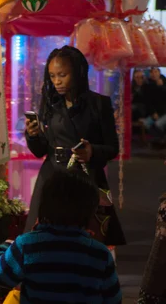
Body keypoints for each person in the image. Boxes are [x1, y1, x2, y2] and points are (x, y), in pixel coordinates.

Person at [24, 45, 125, 246]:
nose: (57, 81)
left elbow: (112, 148)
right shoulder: (50, 104)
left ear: (78, 72)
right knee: (47, 240)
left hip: (85, 178)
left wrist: (92, 151)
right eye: (52, 76)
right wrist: (32, 135)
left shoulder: (99, 104)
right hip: (52, 178)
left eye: (62, 74)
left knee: (87, 238)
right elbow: (40, 151)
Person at [0, 169, 122, 303]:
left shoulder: (27, 245)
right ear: (89, 210)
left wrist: (6, 245)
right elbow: (114, 300)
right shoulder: (100, 254)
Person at [141, 67, 166, 137]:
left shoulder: (164, 82)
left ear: (159, 72)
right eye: (151, 72)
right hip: (155, 112)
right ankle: (160, 140)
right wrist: (153, 113)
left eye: (155, 72)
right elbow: (148, 101)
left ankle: (161, 140)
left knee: (158, 124)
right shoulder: (147, 85)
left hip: (164, 112)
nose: (154, 74)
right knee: (146, 124)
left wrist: (162, 86)